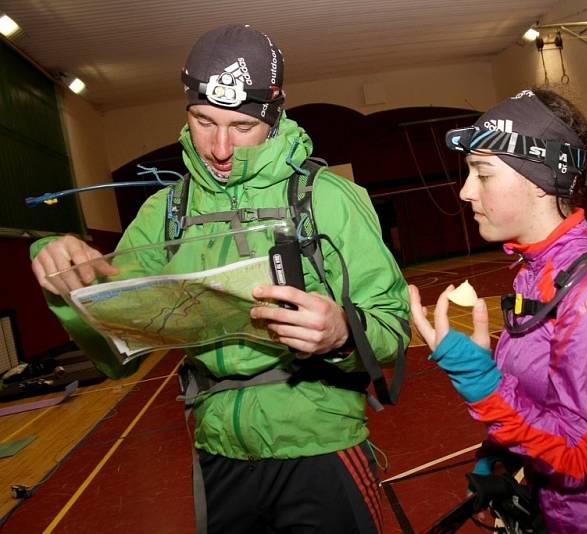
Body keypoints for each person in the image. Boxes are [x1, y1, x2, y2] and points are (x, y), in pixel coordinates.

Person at [31, 24, 410, 534]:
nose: (220, 147)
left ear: (274, 116)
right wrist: (68, 278)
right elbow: (114, 344)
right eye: (204, 121)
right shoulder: (167, 210)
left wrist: (343, 332)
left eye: (241, 126)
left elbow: (392, 326)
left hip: (320, 446)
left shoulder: (329, 198)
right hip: (218, 452)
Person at [409, 89, 587, 533]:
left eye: (482, 174)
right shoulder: (539, 269)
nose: (465, 191)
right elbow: (545, 400)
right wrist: (498, 453)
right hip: (562, 514)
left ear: (539, 180)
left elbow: (576, 456)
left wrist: (480, 380)